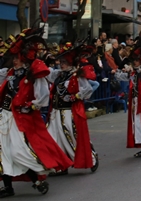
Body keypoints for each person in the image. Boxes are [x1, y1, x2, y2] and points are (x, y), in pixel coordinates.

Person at [0, 29, 73, 197]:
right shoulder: (9, 73)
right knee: (2, 151)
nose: (15, 61)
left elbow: (43, 97)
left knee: (18, 151)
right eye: (14, 58)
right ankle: (8, 187)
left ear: (24, 58)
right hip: (4, 116)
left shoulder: (33, 75)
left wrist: (30, 106)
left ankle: (37, 180)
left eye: (18, 58)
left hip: (19, 119)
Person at [47, 41, 98, 174]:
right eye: (60, 61)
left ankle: (90, 156)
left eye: (64, 61)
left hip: (69, 111)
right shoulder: (58, 74)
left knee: (70, 135)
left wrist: (75, 96)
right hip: (56, 111)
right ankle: (63, 164)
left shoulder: (76, 75)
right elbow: (46, 74)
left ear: (70, 62)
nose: (61, 64)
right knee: (55, 137)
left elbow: (87, 89)